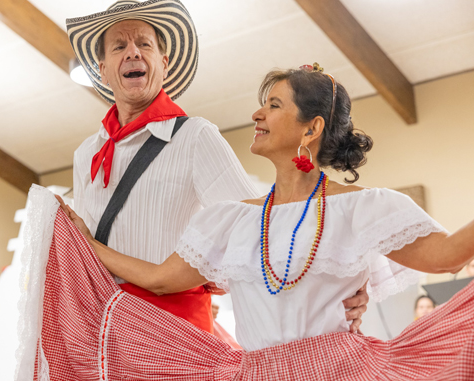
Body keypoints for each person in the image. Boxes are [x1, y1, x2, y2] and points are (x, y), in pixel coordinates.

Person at [19, 63, 474, 380]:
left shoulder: (365, 207)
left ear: (310, 129)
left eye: (273, 105)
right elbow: (159, 280)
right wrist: (84, 243)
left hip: (343, 370)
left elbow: (448, 256)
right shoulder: (231, 221)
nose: (256, 113)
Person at [66, 0, 367, 336]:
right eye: (119, 46)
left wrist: (337, 285)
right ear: (103, 67)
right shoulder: (86, 154)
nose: (133, 52)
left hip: (174, 333)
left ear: (163, 64)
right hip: (104, 332)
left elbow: (262, 228)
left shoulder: (195, 136)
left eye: (144, 44)